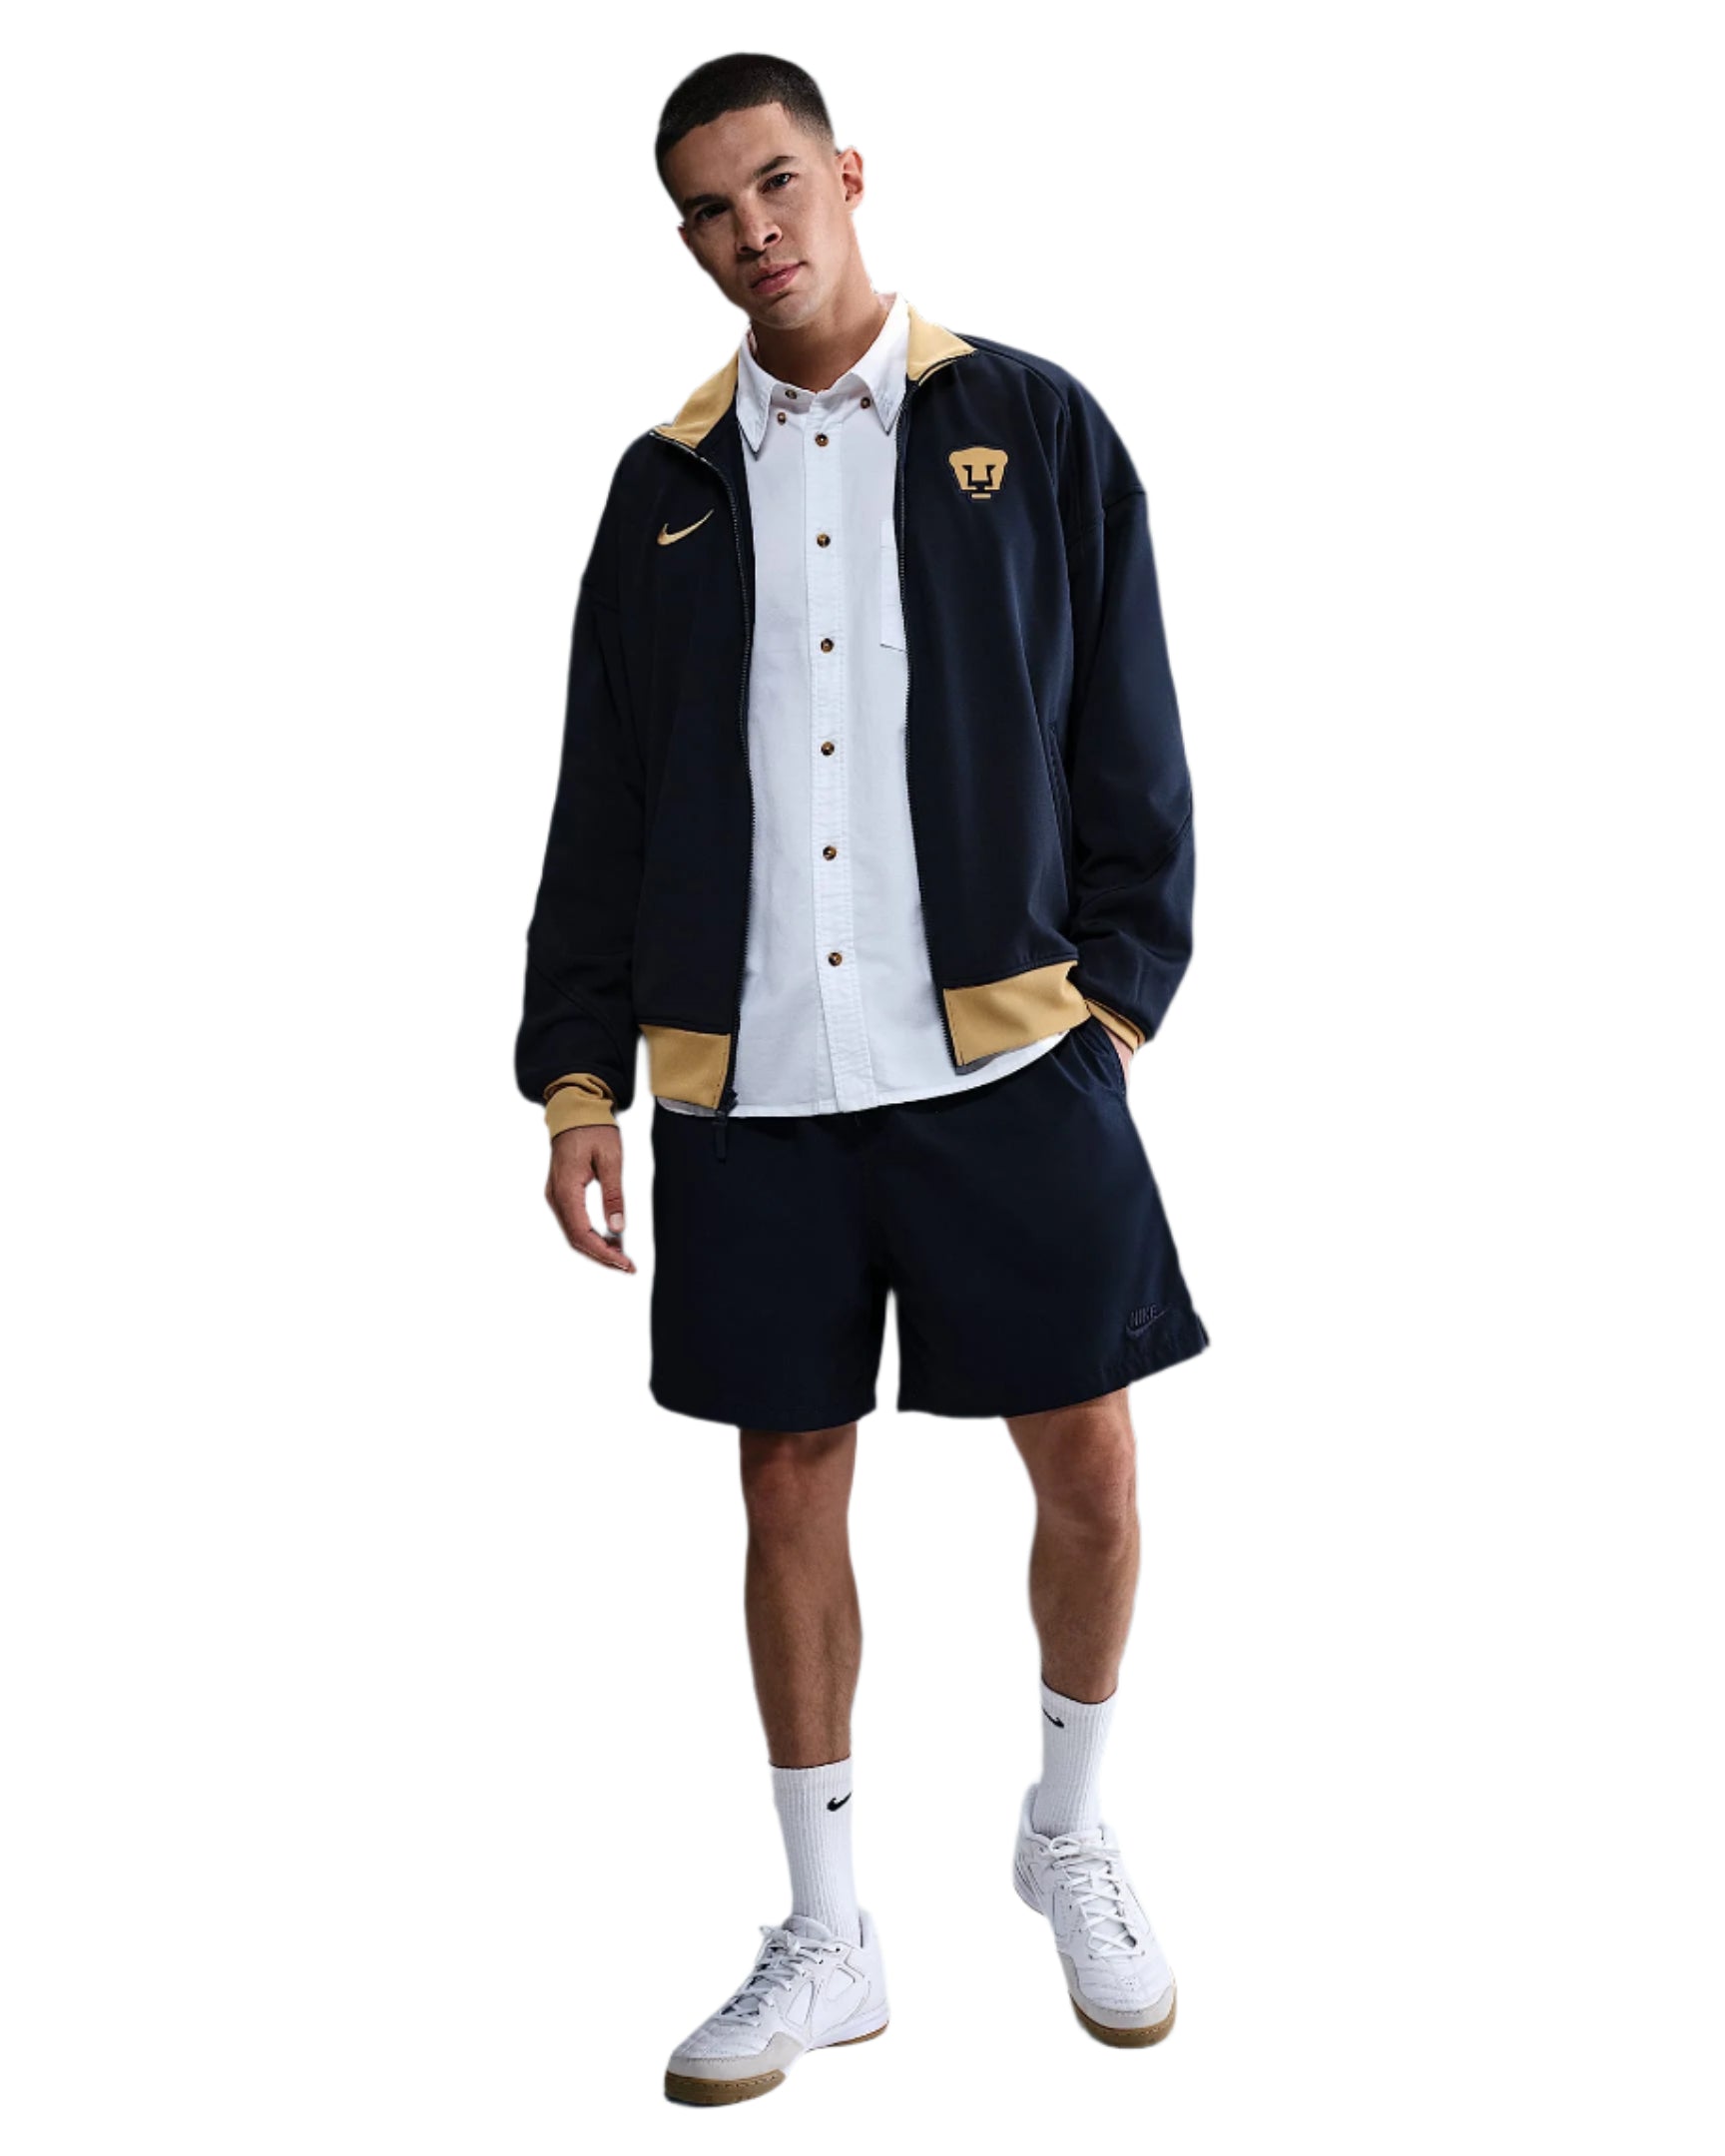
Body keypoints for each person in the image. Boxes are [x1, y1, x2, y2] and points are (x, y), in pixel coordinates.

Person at [514, 51, 1209, 2107]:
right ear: (688, 238)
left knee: (1090, 1466)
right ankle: (827, 1932)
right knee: (786, 1480)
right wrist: (578, 1081)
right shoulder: (661, 489)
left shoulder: (1034, 426)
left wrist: (1118, 1003)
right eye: (711, 208)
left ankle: (1067, 1827)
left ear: (848, 173)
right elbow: (604, 797)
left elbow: (1133, 731)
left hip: (1007, 1059)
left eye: (779, 181)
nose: (756, 229)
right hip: (753, 1078)